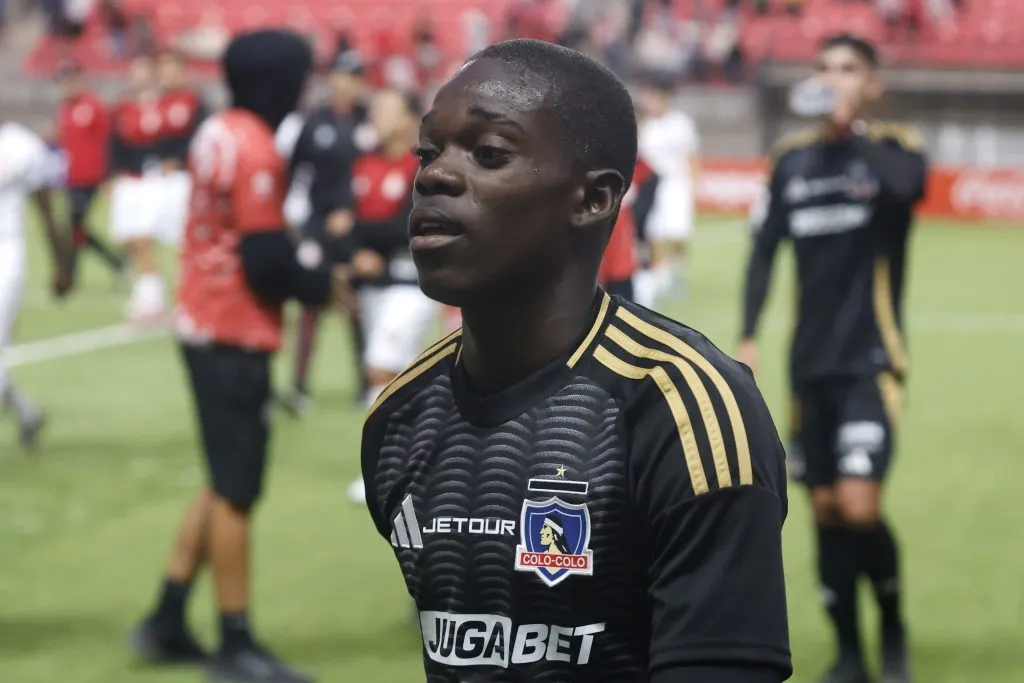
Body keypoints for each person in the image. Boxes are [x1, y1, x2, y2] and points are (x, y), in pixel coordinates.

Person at [361, 39, 791, 683]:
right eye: (429, 150)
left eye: (489, 153)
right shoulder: (399, 419)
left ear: (592, 199)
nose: (433, 175)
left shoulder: (683, 410)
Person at [131, 29, 344, 683]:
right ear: (278, 79)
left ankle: (167, 616)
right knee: (238, 490)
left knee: (222, 476)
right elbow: (263, 259)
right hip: (232, 327)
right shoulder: (254, 145)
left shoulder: (217, 127)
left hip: (202, 314)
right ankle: (235, 640)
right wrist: (319, 282)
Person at [738, 33, 926, 683]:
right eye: (823, 69)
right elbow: (764, 251)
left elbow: (909, 189)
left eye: (848, 69)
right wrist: (747, 333)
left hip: (871, 362)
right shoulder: (790, 162)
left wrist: (852, 127)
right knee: (822, 511)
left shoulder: (892, 150)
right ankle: (851, 655)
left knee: (860, 505)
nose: (832, 78)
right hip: (805, 370)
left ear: (871, 83)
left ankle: (893, 623)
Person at [343, 89, 435, 504]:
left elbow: (412, 223)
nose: (377, 116)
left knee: (381, 367)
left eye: (386, 109)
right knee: (398, 378)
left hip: (411, 284)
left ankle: (380, 472)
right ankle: (420, 463)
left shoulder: (423, 166)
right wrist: (355, 249)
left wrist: (367, 241)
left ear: (407, 118)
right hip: (373, 287)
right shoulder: (363, 164)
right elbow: (347, 221)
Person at [278, 48, 370, 416]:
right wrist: (289, 217)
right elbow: (292, 171)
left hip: (356, 228)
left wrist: (355, 215)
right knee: (310, 302)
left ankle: (366, 382)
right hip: (317, 225)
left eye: (356, 77)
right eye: (344, 75)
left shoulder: (368, 125)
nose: (348, 83)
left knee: (354, 304)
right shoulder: (314, 122)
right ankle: (298, 385)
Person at [0, 120, 71, 452]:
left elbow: (44, 207)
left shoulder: (20, 146)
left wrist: (62, 262)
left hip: (6, 255)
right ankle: (27, 412)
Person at [54, 59, 125, 284]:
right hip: (72, 177)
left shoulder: (93, 105)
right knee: (78, 227)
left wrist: (109, 176)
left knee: (75, 224)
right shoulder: (65, 109)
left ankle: (70, 276)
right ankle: (116, 262)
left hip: (92, 176)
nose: (67, 86)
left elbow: (108, 140)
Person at [108, 51, 167, 323]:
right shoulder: (124, 106)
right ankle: (146, 291)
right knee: (129, 239)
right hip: (127, 180)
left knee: (144, 238)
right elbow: (114, 143)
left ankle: (151, 299)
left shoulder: (163, 105)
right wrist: (111, 176)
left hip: (153, 180)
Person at [636, 74, 700, 306]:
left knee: (678, 233)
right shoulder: (646, 127)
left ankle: (676, 272)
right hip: (653, 185)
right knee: (654, 231)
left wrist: (695, 185)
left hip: (677, 184)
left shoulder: (681, 123)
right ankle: (658, 275)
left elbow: (692, 156)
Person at [155, 47, 207, 247]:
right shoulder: (154, 102)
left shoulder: (194, 101)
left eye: (170, 68)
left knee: (183, 236)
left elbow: (200, 140)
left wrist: (179, 161)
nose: (165, 73)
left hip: (183, 177)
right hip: (155, 175)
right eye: (162, 68)